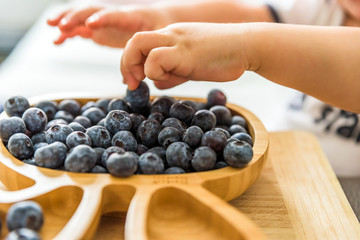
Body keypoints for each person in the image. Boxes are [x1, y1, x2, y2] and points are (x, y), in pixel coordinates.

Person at [47, 0, 360, 177]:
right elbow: (252, 17)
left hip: (347, 194)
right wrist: (162, 18)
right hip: (281, 166)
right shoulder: (329, 10)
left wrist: (249, 47)